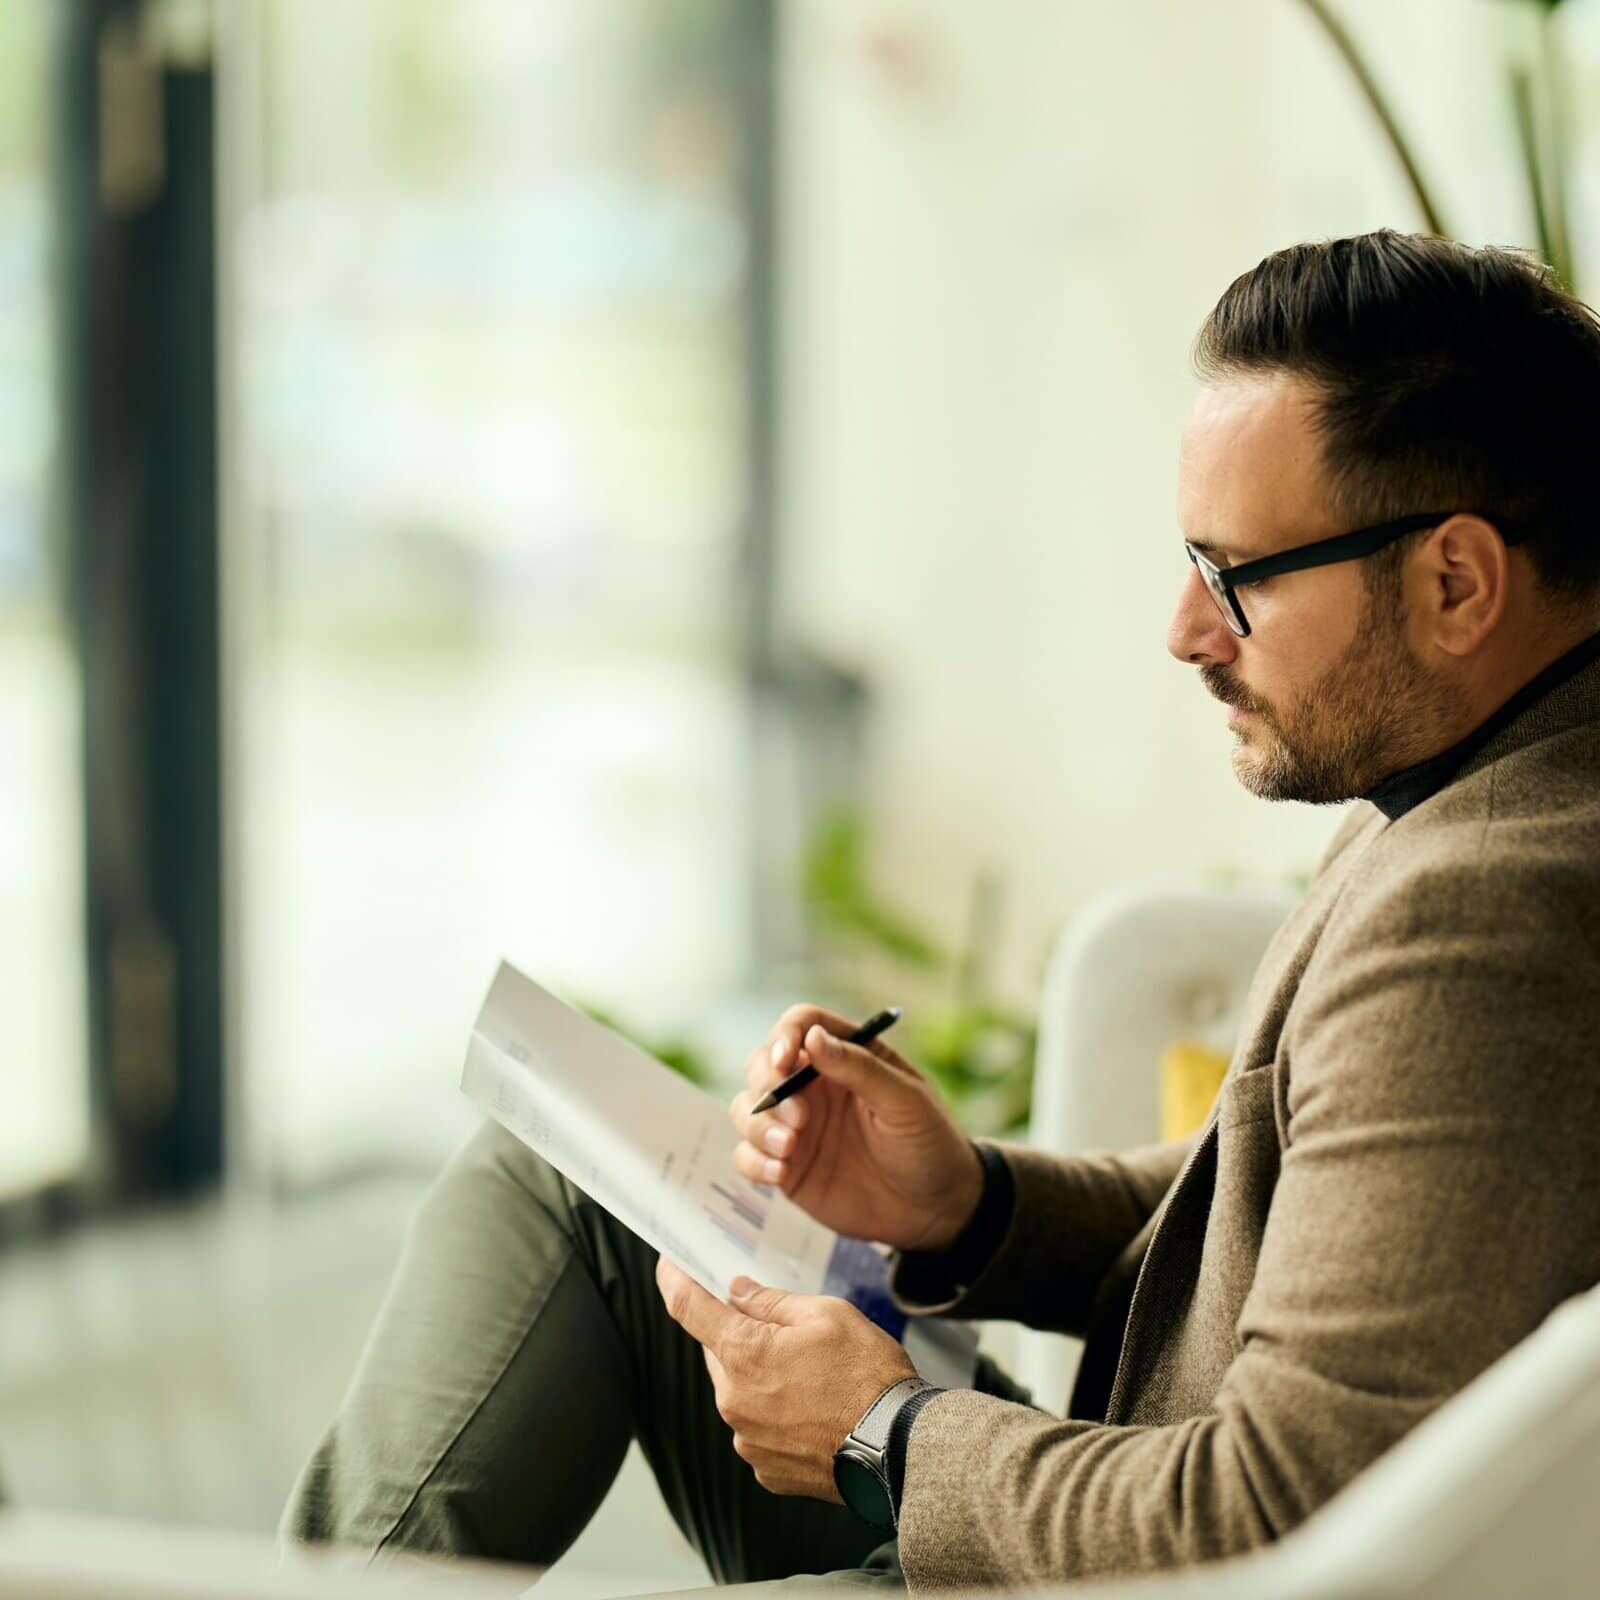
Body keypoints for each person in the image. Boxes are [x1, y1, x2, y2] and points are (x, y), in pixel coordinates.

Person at [283, 231, 1600, 1591]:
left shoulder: (1486, 924)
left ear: (1455, 581)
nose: (1185, 633)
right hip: (1108, 1508)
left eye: (1233, 577)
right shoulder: (1485, 795)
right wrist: (962, 1204)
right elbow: (1262, 1211)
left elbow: (1281, 1518)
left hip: (1141, 1565)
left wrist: (885, 1430)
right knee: (562, 1175)